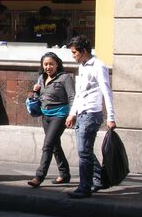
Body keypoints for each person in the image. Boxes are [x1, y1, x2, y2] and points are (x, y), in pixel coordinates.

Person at [65, 35, 116, 199]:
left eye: (74, 53)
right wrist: (73, 113)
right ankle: (99, 180)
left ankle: (84, 187)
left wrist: (111, 117)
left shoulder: (98, 66)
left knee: (83, 152)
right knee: (85, 151)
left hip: (92, 114)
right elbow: (80, 93)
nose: (73, 56)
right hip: (81, 113)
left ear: (84, 51)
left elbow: (107, 92)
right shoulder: (83, 66)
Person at [27, 52, 75, 188]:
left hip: (59, 115)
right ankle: (64, 174)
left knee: (47, 145)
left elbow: (72, 96)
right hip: (45, 115)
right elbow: (40, 96)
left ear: (57, 64)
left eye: (51, 64)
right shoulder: (41, 78)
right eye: (46, 64)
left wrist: (72, 114)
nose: (48, 67)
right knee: (54, 145)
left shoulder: (65, 78)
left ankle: (39, 176)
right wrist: (35, 91)